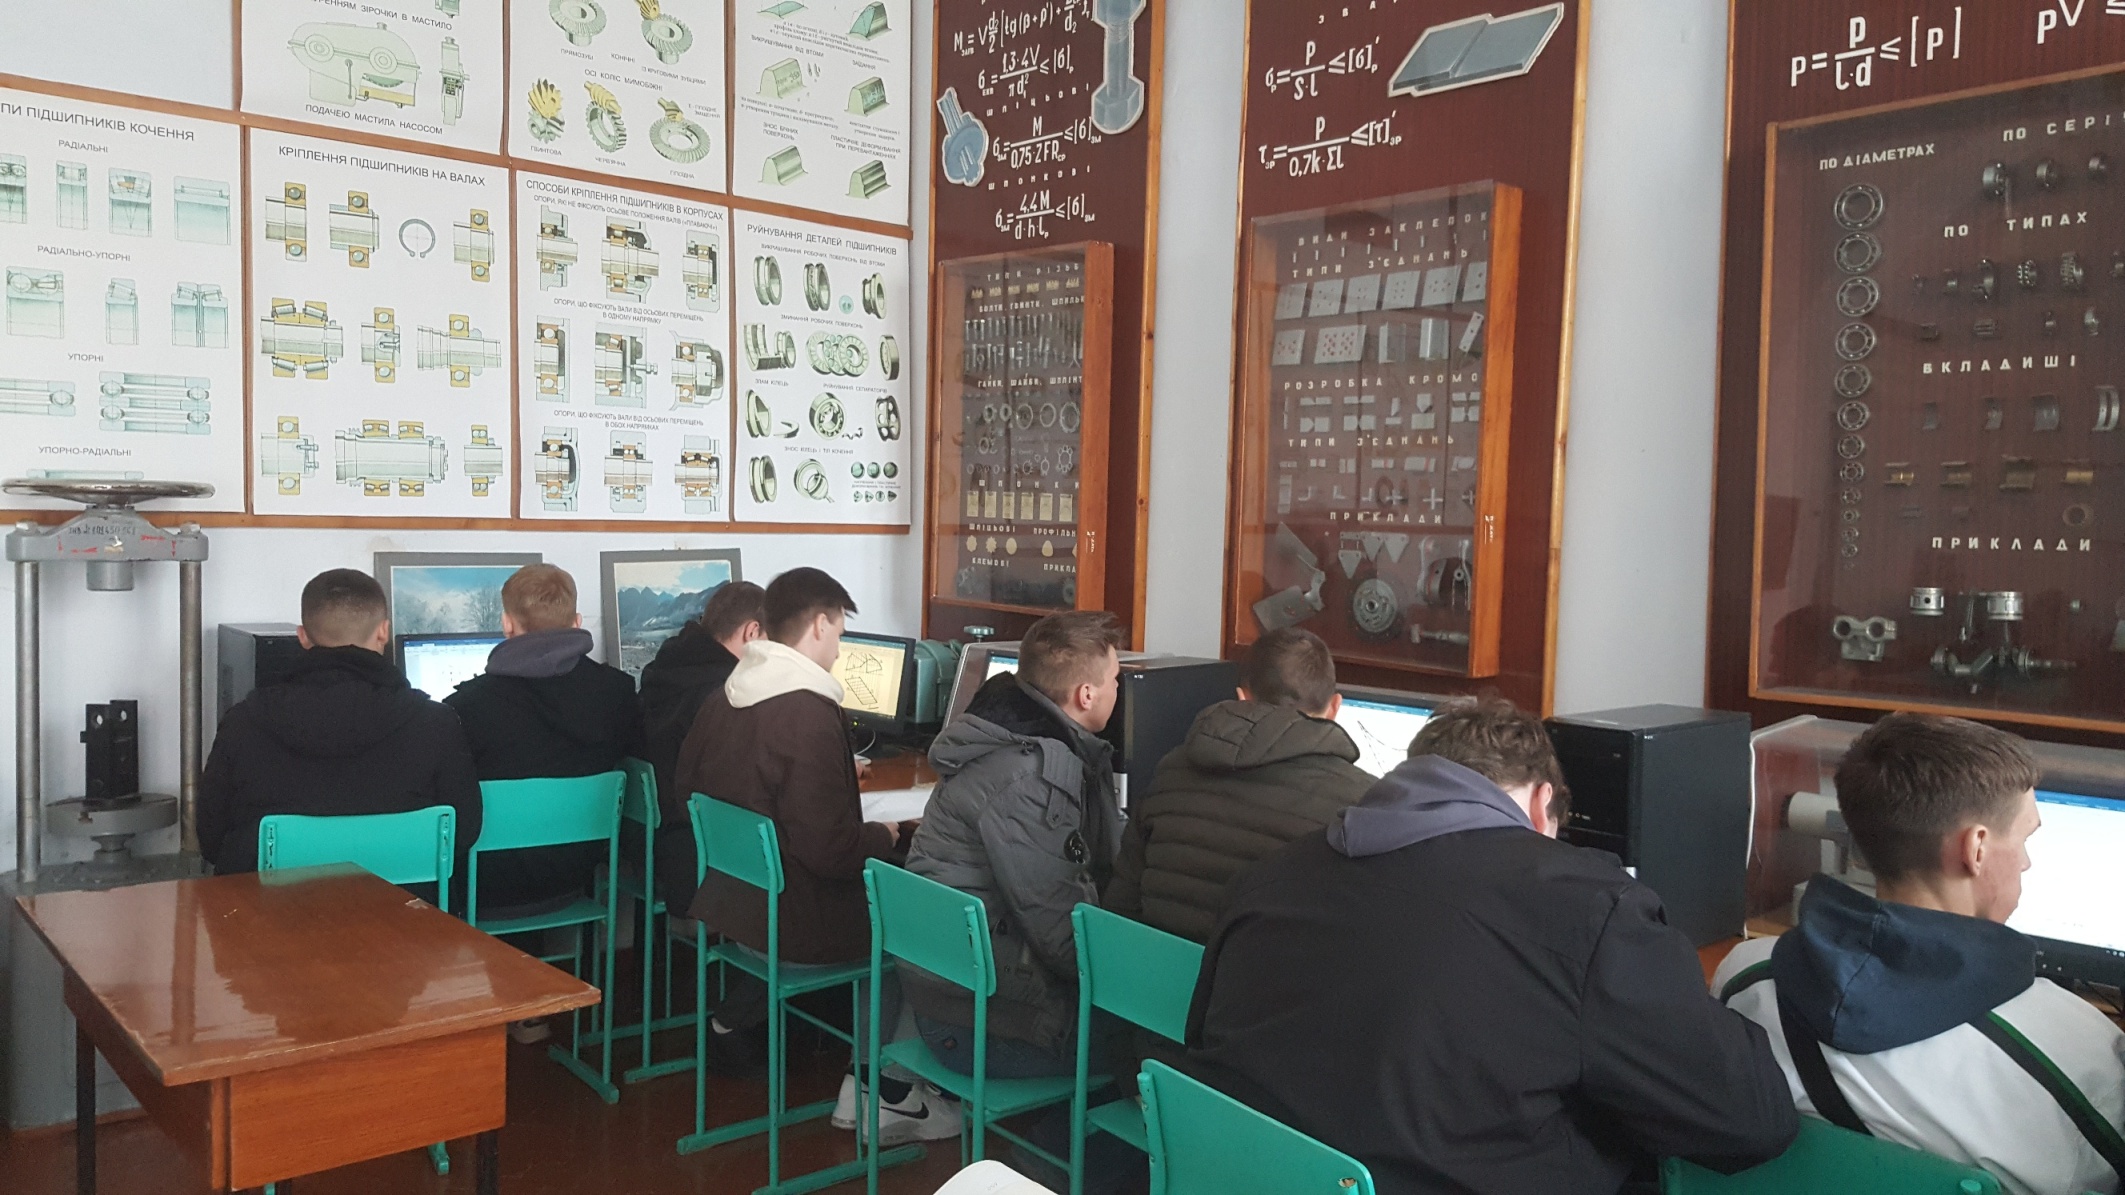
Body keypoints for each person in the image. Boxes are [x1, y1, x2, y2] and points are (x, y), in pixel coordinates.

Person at [1186, 697, 1797, 1195]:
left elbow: (1203, 1035)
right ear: (1541, 803)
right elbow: (1749, 1119)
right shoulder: (1589, 909)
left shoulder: (1269, 875)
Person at [1713, 713, 2125, 1195]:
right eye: (2025, 838)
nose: (2027, 861)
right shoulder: (2077, 1047)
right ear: (1976, 848)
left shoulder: (1745, 978)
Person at [675, 567, 956, 1143]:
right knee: (917, 931)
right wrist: (888, 835)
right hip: (794, 925)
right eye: (841, 633)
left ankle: (866, 1080)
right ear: (821, 625)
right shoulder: (806, 710)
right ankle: (882, 1089)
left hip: (735, 909)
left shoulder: (727, 693)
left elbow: (687, 792)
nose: (840, 648)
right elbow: (832, 853)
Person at [904, 609, 1126, 1077]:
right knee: (1159, 1048)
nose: (1117, 689)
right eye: (1114, 679)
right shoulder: (1032, 776)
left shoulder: (999, 737)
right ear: (1086, 695)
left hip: (956, 988)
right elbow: (1061, 932)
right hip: (977, 1022)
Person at [198, 568, 481, 880]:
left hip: (270, 908)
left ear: (302, 637)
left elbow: (211, 840)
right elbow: (463, 833)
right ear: (383, 632)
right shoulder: (437, 724)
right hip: (404, 907)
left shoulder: (243, 722)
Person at [1105, 627, 1372, 943]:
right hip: (1263, 974)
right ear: (1335, 707)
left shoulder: (1171, 770)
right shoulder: (1361, 805)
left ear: (1242, 697)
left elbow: (1120, 910)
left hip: (1157, 971)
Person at [444, 563, 645, 916]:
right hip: (580, 874)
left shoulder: (467, 707)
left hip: (485, 884)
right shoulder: (618, 692)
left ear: (507, 624)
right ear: (577, 621)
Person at [637, 580, 765, 911]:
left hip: (648, 843)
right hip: (696, 854)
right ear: (752, 633)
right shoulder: (727, 694)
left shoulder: (665, 669)